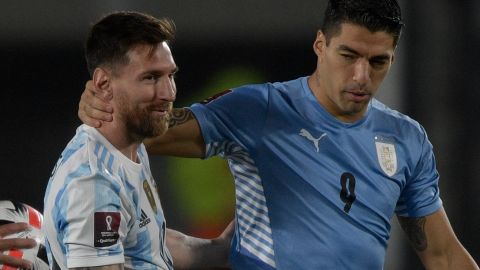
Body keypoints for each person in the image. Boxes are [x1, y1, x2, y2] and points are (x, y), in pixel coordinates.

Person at [79, 1, 479, 269]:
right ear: (320, 45)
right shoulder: (260, 110)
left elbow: (443, 255)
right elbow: (151, 131)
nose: (362, 76)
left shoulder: (405, 139)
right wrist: (108, 103)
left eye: (378, 62)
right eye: (349, 56)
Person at [44, 11, 231, 270]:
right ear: (103, 83)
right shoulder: (93, 183)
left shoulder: (131, 146)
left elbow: (147, 244)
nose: (168, 93)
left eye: (171, 76)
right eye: (150, 77)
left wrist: (223, 251)